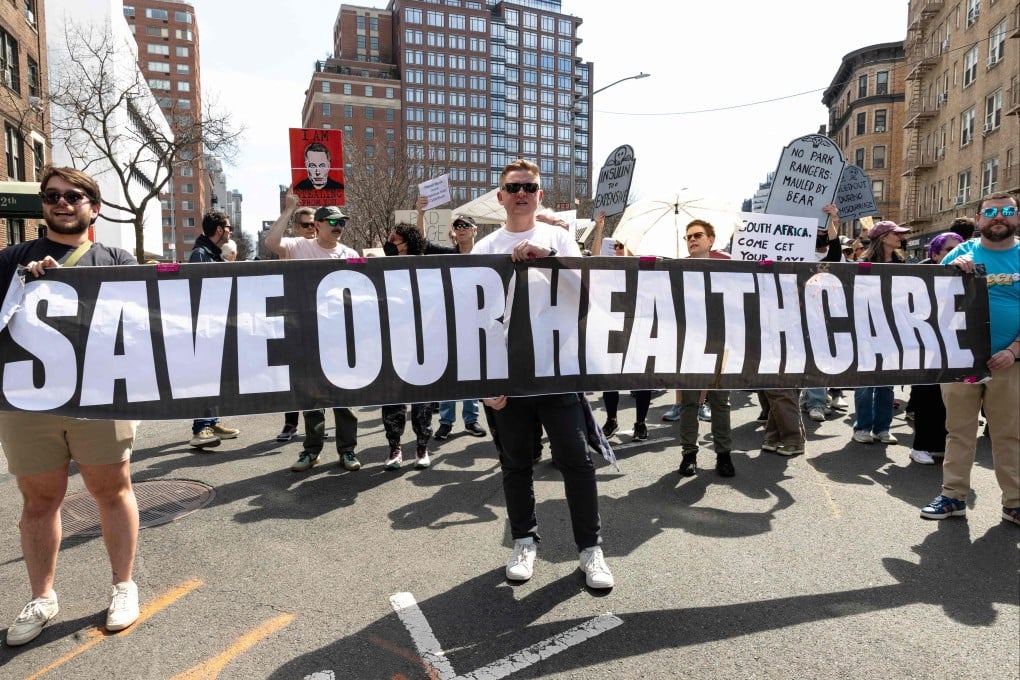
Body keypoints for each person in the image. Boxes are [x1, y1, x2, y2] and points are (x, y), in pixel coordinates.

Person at [0, 166, 141, 645]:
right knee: (39, 501)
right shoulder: (11, 260)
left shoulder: (117, 258)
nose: (62, 203)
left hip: (99, 399)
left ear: (93, 207)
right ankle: (42, 597)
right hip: (27, 404)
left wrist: (75, 287)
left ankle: (124, 585)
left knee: (112, 490)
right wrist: (24, 285)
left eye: (74, 196)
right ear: (43, 205)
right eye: (52, 195)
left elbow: (140, 327)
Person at [473, 159, 614, 589]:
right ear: (500, 197)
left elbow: (591, 292)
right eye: (513, 187)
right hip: (508, 379)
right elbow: (472, 322)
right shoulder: (483, 250)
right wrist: (482, 385)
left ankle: (590, 550)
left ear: (540, 195)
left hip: (559, 372)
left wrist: (549, 258)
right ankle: (524, 541)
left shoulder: (559, 237)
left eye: (529, 187)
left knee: (576, 462)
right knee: (515, 465)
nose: (521, 193)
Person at [920, 191, 1019, 525]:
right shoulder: (960, 253)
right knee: (958, 431)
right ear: (978, 219)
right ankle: (953, 497)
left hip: (1010, 363)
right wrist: (951, 274)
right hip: (962, 360)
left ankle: (1014, 504)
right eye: (991, 212)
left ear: (1017, 217)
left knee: (1009, 435)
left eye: (1007, 211)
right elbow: (930, 304)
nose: (999, 217)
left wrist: (1013, 351)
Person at [265, 196, 362, 472]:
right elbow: (271, 243)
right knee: (311, 398)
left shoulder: (350, 254)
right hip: (307, 336)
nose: (338, 226)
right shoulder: (299, 246)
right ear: (317, 225)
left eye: (342, 221)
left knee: (344, 397)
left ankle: (347, 451)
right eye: (332, 221)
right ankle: (311, 451)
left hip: (341, 339)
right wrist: (288, 210)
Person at [412, 200, 489, 441]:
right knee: (451, 372)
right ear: (453, 232)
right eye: (458, 225)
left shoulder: (486, 254)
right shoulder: (447, 254)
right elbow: (422, 244)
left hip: (477, 323)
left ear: (475, 230)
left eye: (466, 224)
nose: (462, 228)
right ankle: (446, 421)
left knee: (472, 373)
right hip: (449, 323)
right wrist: (421, 213)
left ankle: (471, 419)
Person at [675, 219, 735, 478]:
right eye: (688, 237)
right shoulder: (677, 269)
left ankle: (723, 455)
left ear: (711, 240)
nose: (692, 240)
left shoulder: (731, 266)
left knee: (721, 401)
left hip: (721, 342)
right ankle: (689, 455)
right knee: (689, 402)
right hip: (690, 344)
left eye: (697, 235)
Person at [380, 224, 438, 469]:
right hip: (393, 341)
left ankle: (422, 447)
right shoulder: (384, 266)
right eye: (391, 238)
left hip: (421, 341)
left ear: (409, 241)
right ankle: (395, 448)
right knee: (392, 398)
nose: (392, 241)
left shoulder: (425, 266)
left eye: (397, 238)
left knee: (421, 399)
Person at [907, 232, 965, 464]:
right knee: (926, 396)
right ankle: (921, 446)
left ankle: (941, 445)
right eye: (949, 249)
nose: (955, 253)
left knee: (950, 400)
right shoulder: (920, 276)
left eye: (959, 248)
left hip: (954, 346)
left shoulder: (967, 275)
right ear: (934, 253)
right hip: (927, 346)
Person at [851, 220, 908, 445]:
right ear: (884, 237)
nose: (900, 238)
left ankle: (882, 428)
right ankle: (862, 426)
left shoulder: (902, 264)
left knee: (886, 383)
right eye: (896, 234)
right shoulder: (862, 264)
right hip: (865, 330)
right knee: (865, 383)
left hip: (892, 332)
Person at [187, 211, 241, 449]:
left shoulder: (210, 253)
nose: (230, 231)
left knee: (215, 378)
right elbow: (201, 290)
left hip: (214, 324)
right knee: (205, 377)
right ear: (219, 230)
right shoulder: (201, 254)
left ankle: (212, 421)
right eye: (228, 227)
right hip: (206, 326)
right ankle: (201, 429)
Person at [275, 206, 318, 443]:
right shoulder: (292, 246)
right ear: (296, 227)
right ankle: (291, 423)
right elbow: (272, 241)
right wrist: (289, 207)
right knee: (293, 375)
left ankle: (318, 426)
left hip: (320, 321)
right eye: (305, 225)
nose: (311, 229)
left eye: (313, 224)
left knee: (319, 375)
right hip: (294, 319)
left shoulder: (327, 247)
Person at [801, 204, 843, 423]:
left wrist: (831, 220)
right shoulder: (798, 253)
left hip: (820, 316)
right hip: (795, 315)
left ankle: (816, 402)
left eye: (823, 233)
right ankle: (806, 398)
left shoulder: (831, 256)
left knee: (816, 359)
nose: (820, 236)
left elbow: (835, 246)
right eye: (816, 232)